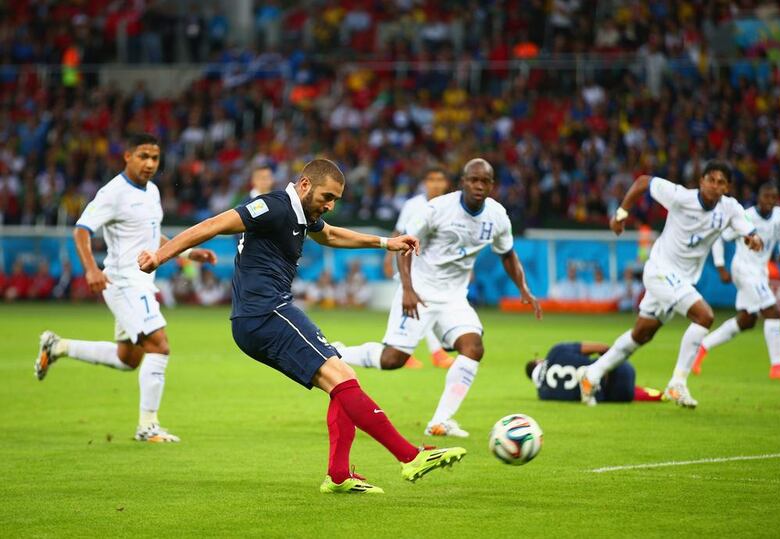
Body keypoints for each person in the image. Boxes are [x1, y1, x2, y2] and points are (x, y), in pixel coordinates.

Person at [136, 158, 466, 494]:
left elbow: (332, 236)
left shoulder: (303, 215)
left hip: (262, 316)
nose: (330, 205)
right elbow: (215, 224)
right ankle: (410, 456)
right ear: (305, 184)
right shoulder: (275, 206)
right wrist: (160, 256)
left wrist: (384, 243)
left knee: (343, 381)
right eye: (327, 196)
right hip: (265, 313)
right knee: (342, 378)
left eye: (335, 199)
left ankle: (338, 476)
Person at [335, 158, 542, 438]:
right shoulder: (436, 210)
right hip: (419, 291)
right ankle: (336, 352)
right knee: (393, 359)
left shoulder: (497, 216)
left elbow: (507, 253)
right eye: (473, 180)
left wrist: (524, 288)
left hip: (455, 298)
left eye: (485, 181)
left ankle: (440, 421)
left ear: (492, 185)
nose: (479, 186)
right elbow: (405, 245)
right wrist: (408, 289)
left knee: (473, 348)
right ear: (463, 183)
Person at [34, 133, 218, 443]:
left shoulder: (153, 191)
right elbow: (81, 231)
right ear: (127, 156)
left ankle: (57, 346)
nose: (149, 164)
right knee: (159, 346)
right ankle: (148, 426)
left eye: (155, 158)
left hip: (141, 281)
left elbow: (149, 237)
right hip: (123, 281)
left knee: (128, 359)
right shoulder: (113, 193)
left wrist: (186, 253)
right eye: (143, 156)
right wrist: (92, 269)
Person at [579, 161, 763, 408]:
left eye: (721, 182)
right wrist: (621, 214)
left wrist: (754, 239)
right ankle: (677, 383)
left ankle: (591, 375)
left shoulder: (730, 209)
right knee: (704, 316)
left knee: (642, 334)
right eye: (711, 179)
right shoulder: (680, 197)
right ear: (701, 181)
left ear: (727, 187)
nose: (715, 186)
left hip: (681, 280)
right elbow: (644, 181)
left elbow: (749, 231)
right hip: (660, 271)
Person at [693, 183, 780, 379]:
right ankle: (777, 366)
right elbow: (720, 237)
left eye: (773, 198)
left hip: (760, 272)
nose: (769, 201)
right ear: (758, 198)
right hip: (744, 269)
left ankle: (702, 348)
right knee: (772, 312)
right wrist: (720, 266)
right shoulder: (746, 216)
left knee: (746, 321)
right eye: (765, 197)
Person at [382, 166, 452, 369]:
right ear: (425, 182)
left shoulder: (450, 206)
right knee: (417, 305)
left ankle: (409, 350)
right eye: (431, 179)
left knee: (425, 307)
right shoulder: (413, 205)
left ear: (446, 183)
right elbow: (399, 231)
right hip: (411, 262)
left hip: (436, 267)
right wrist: (388, 259)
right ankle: (431, 352)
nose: (436, 184)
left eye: (440, 179)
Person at [525, 342, 662, 403]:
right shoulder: (556, 351)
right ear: (538, 361)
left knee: (633, 392)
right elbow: (601, 347)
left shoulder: (544, 394)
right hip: (623, 370)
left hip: (619, 397)